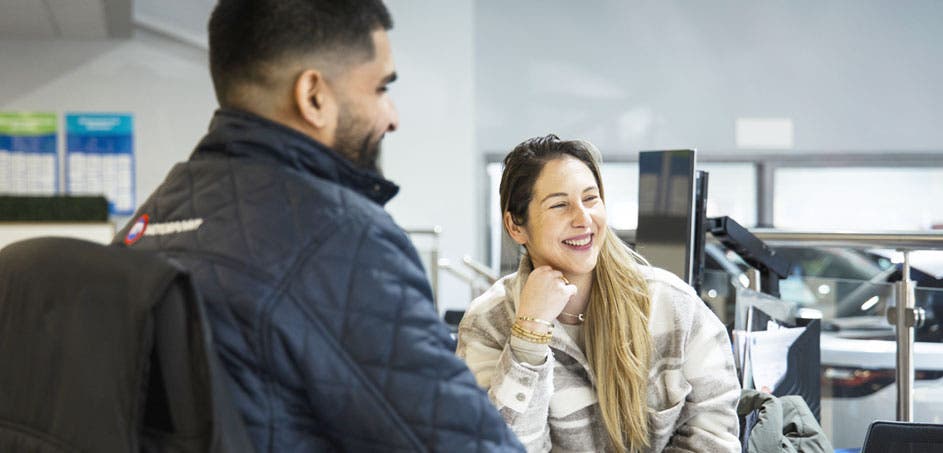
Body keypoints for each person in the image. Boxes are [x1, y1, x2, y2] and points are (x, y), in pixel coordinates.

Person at [114, 1, 523, 451]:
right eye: (380, 88)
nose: (391, 116)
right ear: (313, 96)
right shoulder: (343, 239)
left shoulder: (146, 224)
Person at [456, 134, 741, 452]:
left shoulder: (673, 304)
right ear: (515, 226)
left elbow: (716, 437)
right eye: (560, 205)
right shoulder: (489, 322)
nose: (583, 219)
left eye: (591, 199)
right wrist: (529, 334)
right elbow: (500, 447)